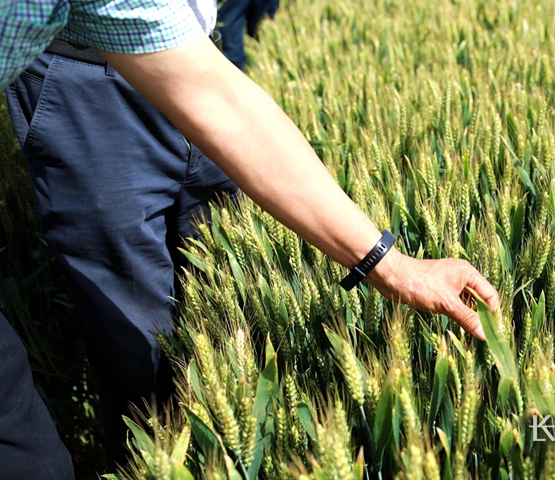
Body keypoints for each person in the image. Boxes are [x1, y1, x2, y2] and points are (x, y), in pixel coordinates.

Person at [0, 0, 499, 476]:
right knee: (139, 349)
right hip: (82, 81)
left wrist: (392, 265)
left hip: (191, 56)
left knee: (228, 317)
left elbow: (220, 103)